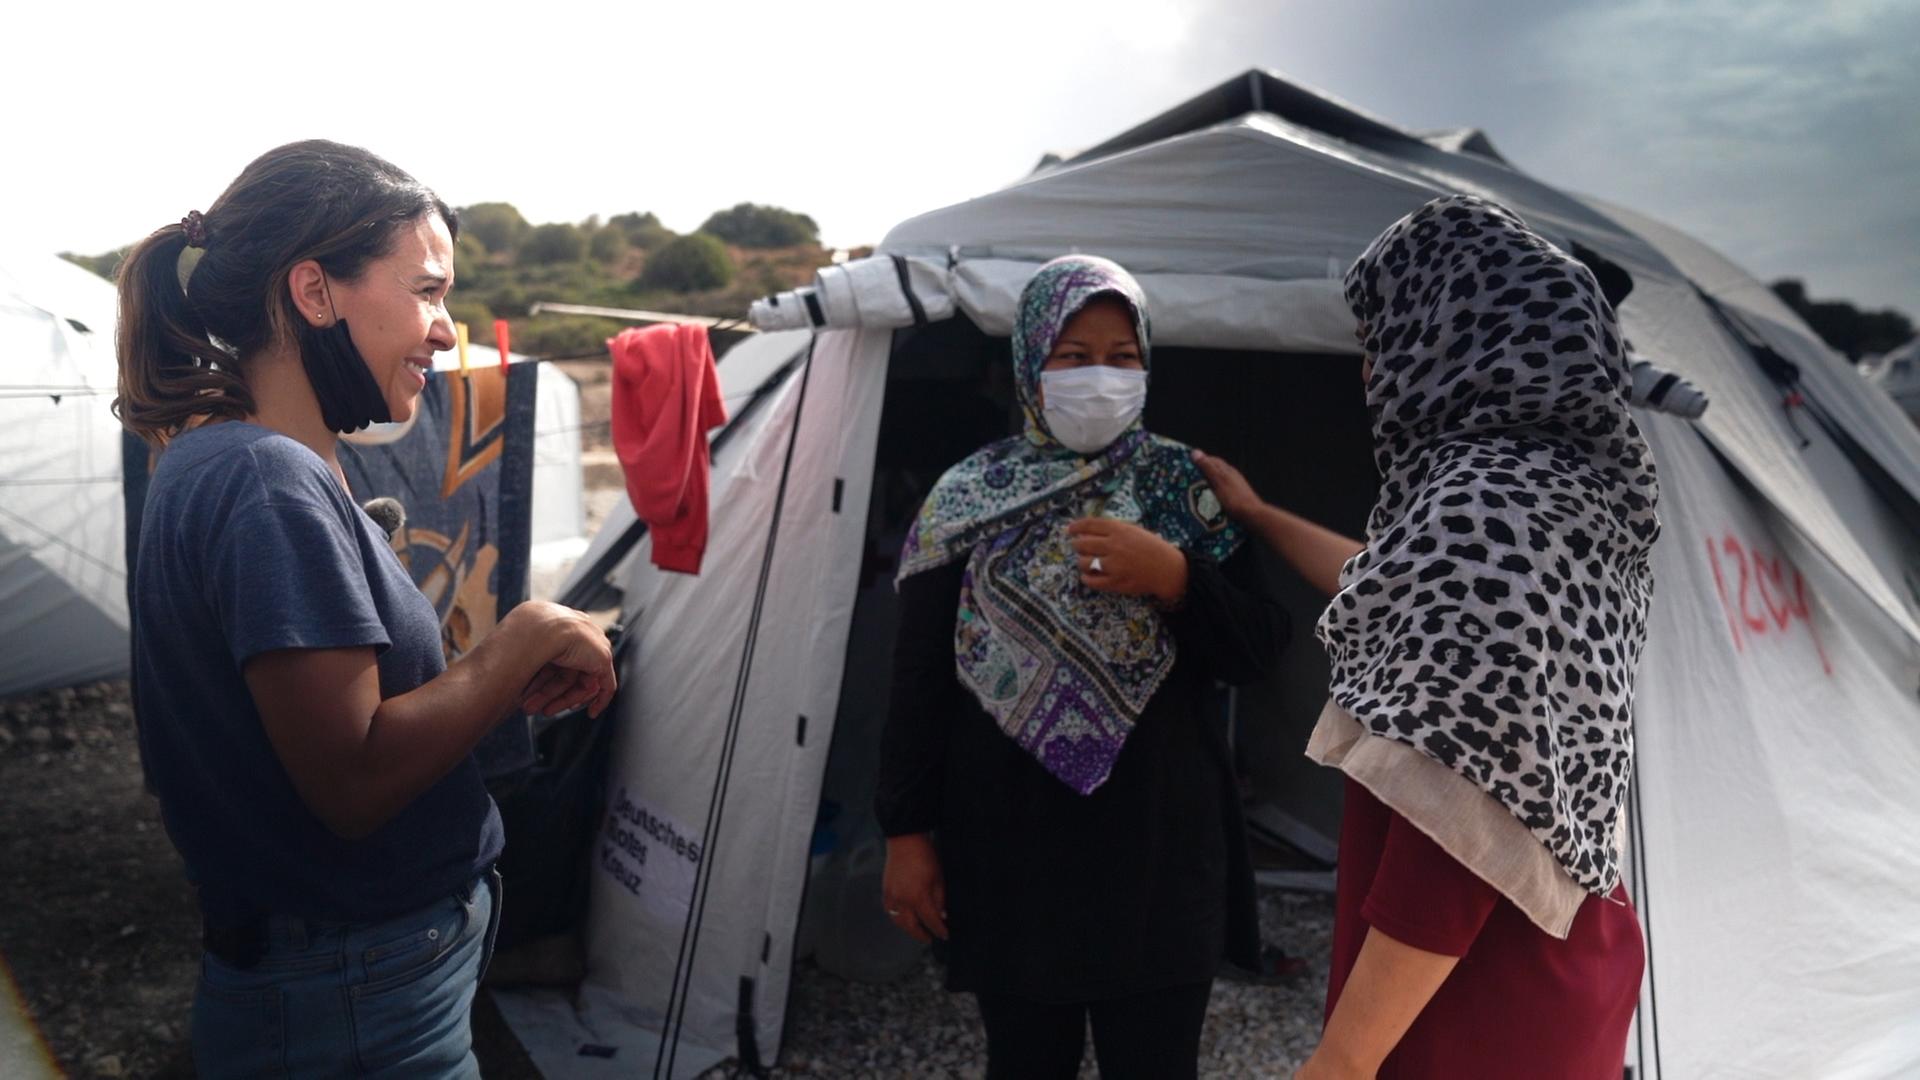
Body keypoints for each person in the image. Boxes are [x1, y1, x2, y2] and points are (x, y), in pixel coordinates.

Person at [115, 140, 617, 1077]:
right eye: (427, 292)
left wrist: (484, 687)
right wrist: (523, 638)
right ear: (314, 292)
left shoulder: (232, 457)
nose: (446, 332)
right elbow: (351, 783)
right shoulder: (266, 480)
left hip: (346, 976)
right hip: (354, 990)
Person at [1195, 194, 1661, 1079]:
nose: (1372, 374)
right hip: (1565, 951)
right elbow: (1403, 594)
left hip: (1480, 999)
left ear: (1451, 334)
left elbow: (1462, 812)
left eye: (1380, 341)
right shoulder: (1563, 493)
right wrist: (1257, 514)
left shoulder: (1484, 509)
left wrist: (1343, 1060)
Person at [877, 255, 1287, 1079]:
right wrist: (905, 833)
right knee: (1025, 1063)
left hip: (1162, 848)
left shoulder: (1188, 490)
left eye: (1121, 356)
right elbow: (919, 679)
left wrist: (1179, 579)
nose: (1100, 376)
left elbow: (1259, 649)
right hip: (1010, 848)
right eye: (1073, 356)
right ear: (1030, 362)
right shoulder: (966, 498)